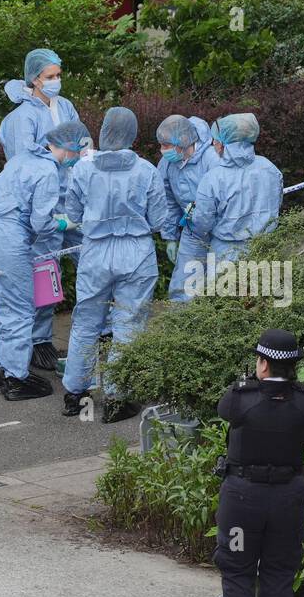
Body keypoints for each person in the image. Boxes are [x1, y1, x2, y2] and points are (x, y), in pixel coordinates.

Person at [201, 328, 304, 597]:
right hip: (288, 499)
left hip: (243, 498)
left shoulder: (240, 397)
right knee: (280, 571)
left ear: (264, 364)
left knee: (237, 571)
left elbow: (226, 411)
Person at [60, 106, 171, 424]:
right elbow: (158, 219)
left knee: (85, 322)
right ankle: (117, 397)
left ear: (103, 130)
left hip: (95, 252)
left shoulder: (83, 169)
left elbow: (74, 214)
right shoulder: (146, 170)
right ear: (133, 134)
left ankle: (75, 395)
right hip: (135, 252)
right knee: (128, 325)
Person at [0, 48, 80, 373]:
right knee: (44, 271)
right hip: (39, 206)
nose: (56, 81)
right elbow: (24, 166)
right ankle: (39, 341)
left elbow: (79, 142)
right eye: (50, 77)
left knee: (90, 255)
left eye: (59, 75)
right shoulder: (23, 118)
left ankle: (96, 328)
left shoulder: (66, 106)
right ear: (34, 79)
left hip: (70, 200)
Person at [0, 146, 63, 401]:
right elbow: (41, 222)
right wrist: (62, 223)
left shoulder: (23, 158)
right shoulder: (48, 171)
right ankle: (15, 378)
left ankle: (9, 367)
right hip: (9, 240)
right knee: (21, 308)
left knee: (8, 306)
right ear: (72, 147)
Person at [30, 119, 93, 372]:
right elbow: (39, 217)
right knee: (45, 285)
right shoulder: (44, 169)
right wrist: (59, 223)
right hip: (45, 231)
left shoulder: (71, 164)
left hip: (66, 224)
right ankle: (38, 342)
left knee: (88, 276)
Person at [187, 113, 283, 265]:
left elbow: (203, 223)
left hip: (226, 255)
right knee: (264, 288)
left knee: (225, 288)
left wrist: (191, 217)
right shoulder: (269, 168)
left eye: (216, 139)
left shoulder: (213, 178)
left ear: (227, 143)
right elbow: (276, 204)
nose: (213, 143)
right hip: (267, 250)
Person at [155, 115, 220, 302]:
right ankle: (180, 327)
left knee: (222, 281)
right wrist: (169, 236)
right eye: (161, 145)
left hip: (220, 229)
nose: (162, 151)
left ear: (182, 142)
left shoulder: (212, 159)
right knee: (184, 284)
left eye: (166, 146)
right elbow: (167, 201)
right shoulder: (167, 164)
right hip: (193, 230)